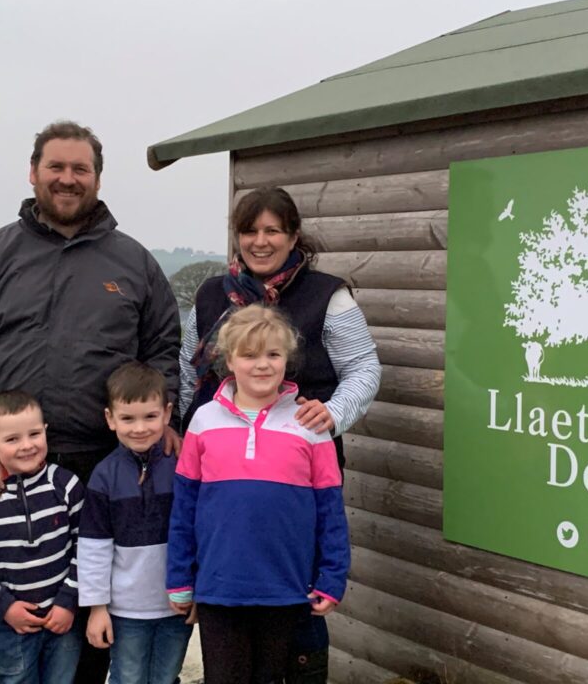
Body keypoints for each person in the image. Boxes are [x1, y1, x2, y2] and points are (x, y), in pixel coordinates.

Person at [0, 120, 181, 684]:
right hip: (6, 463)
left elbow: (164, 348)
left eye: (80, 169)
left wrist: (169, 417)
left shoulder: (134, 263)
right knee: (3, 602)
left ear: (96, 177)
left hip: (103, 466)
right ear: (34, 172)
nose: (68, 179)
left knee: (93, 595)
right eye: (56, 167)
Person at [179, 186, 381, 682]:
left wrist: (332, 413)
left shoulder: (326, 295)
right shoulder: (210, 295)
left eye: (273, 230)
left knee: (301, 606)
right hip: (222, 462)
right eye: (250, 230)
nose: (260, 241)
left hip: (300, 463)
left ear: (294, 235)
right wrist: (184, 432)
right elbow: (187, 373)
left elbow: (364, 367)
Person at [167, 305, 350, 684]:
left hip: (287, 589)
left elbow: (330, 510)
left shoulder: (310, 424)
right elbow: (184, 509)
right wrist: (180, 579)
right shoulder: (203, 421)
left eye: (273, 354)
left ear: (288, 359)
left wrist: (332, 576)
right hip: (219, 589)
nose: (262, 365)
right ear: (229, 360)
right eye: (249, 355)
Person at [78, 362, 193, 684]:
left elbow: (199, 534)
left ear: (167, 414)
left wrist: (198, 591)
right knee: (127, 677)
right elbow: (93, 548)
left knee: (167, 676)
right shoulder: (104, 476)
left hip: (177, 605)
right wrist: (97, 607)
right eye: (127, 418)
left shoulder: (184, 467)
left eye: (150, 416)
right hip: (126, 610)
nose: (139, 428)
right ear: (110, 419)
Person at [0, 391, 85, 684]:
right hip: (11, 623)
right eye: (12, 439)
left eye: (34, 434)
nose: (27, 445)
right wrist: (4, 607)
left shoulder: (66, 486)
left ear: (45, 433)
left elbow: (86, 546)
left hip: (63, 617)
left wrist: (68, 601)